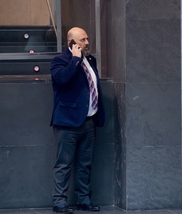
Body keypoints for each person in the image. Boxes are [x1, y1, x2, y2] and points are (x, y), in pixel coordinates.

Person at [50, 27, 105, 213]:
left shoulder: (90, 60)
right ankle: (59, 202)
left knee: (85, 164)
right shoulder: (60, 61)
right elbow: (62, 80)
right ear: (71, 43)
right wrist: (75, 60)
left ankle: (84, 200)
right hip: (67, 123)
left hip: (88, 122)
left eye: (87, 38)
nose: (87, 43)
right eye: (82, 40)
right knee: (63, 164)